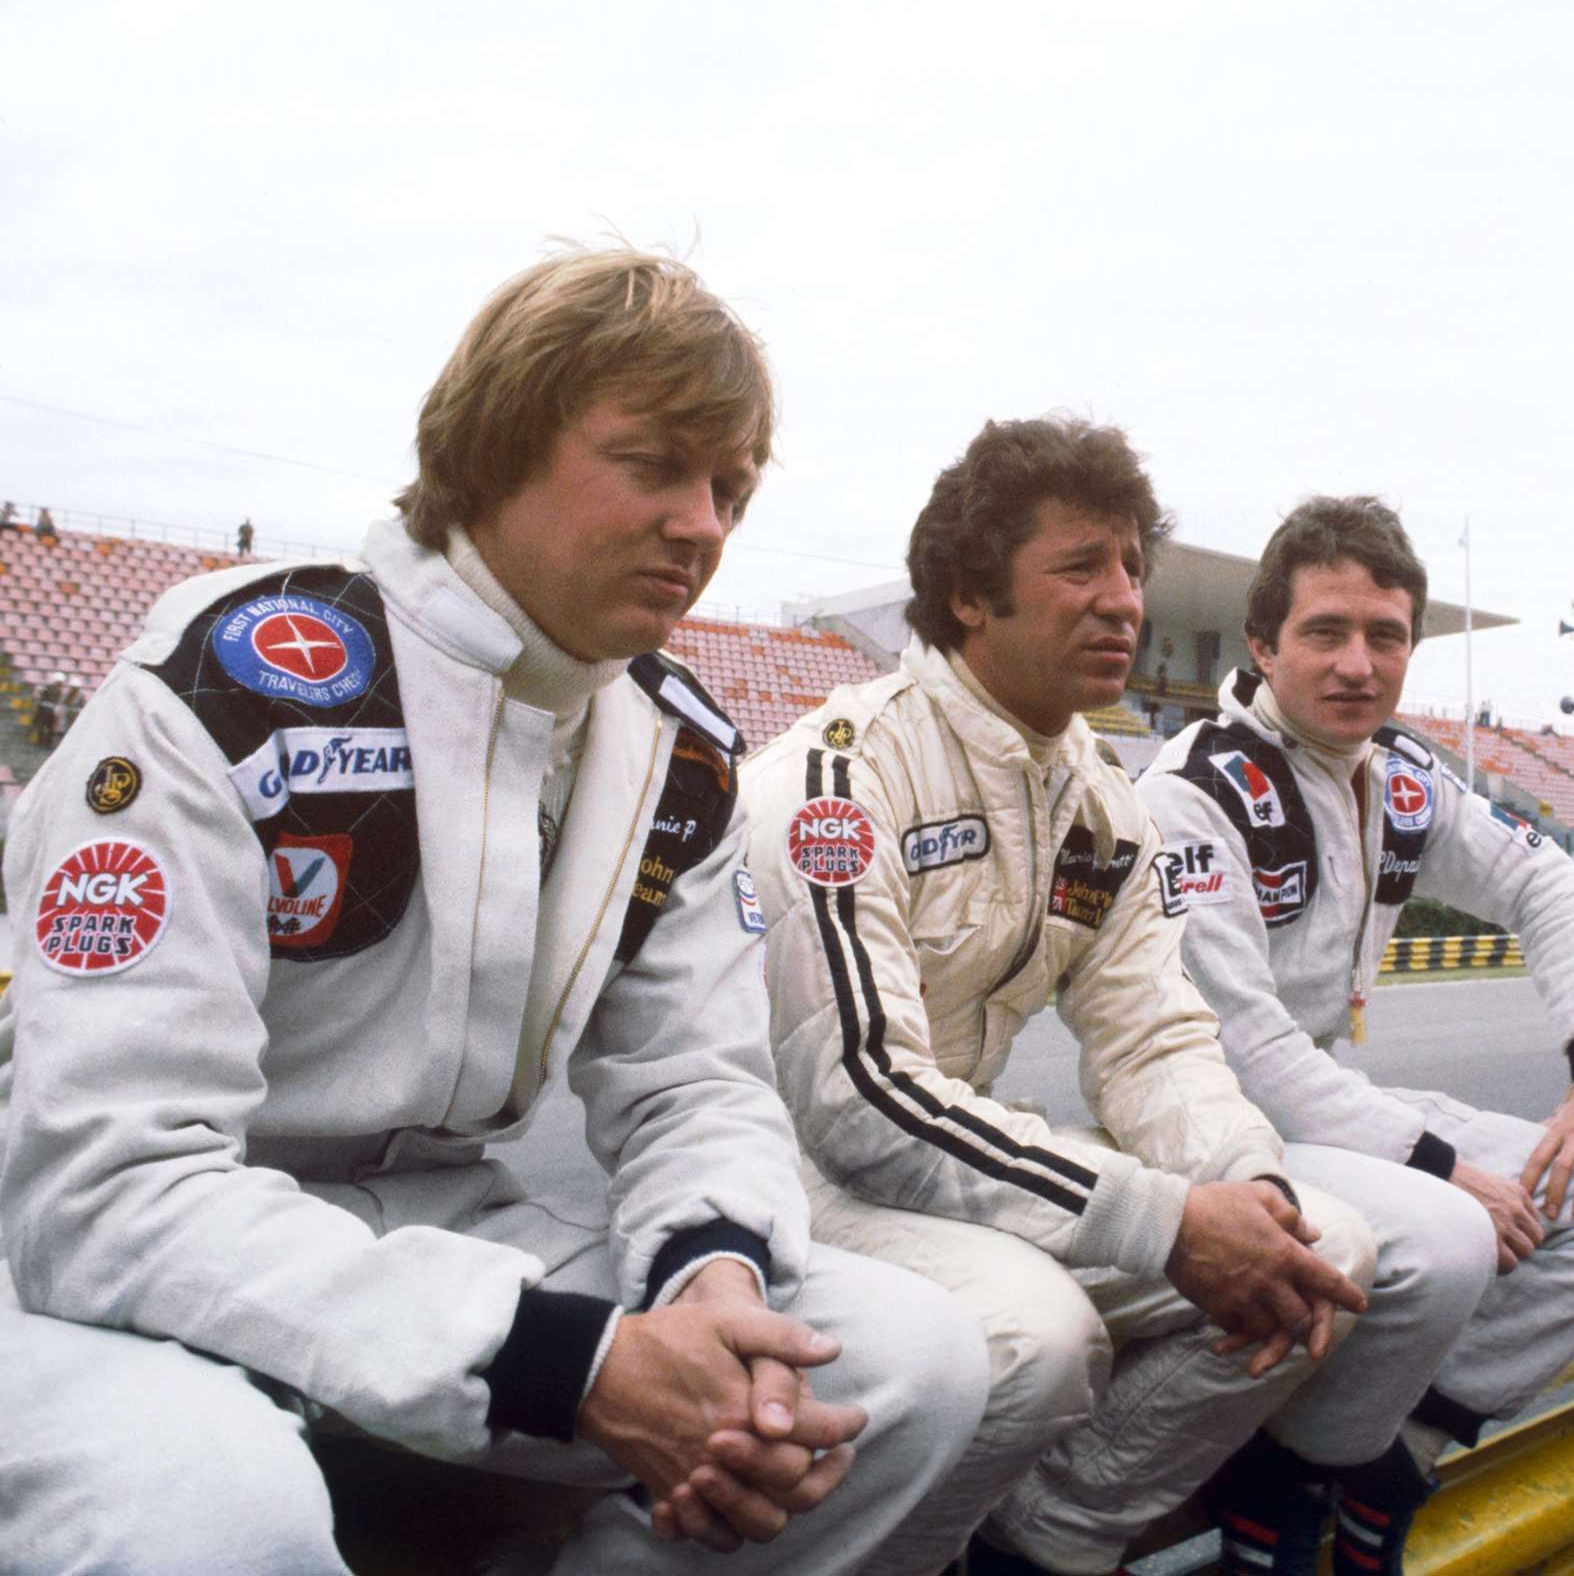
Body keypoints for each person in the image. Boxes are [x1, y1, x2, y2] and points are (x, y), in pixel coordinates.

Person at [0, 247, 989, 1575]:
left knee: (899, 1364)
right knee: (212, 1505)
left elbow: (695, 1084)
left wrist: (717, 1285)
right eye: (654, 463)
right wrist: (564, 1364)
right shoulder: (234, 682)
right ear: (498, 447)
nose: (702, 523)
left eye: (731, 487)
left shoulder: (676, 753)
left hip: (437, 1219)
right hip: (93, 1255)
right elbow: (100, 1188)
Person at [743, 419, 1487, 1576]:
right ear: (967, 594)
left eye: (1133, 566)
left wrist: (1246, 1186)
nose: (1123, 599)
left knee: (1317, 1247)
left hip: (943, 1169)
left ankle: (1047, 1542)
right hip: (787, 1175)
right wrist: (1164, 1221)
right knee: (1038, 1339)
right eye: (1079, 565)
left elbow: (1156, 1045)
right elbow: (860, 1097)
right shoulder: (837, 776)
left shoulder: (1101, 802)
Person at [1139, 495, 1574, 1572]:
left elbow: (1549, 884)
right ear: (1262, 642)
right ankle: (1282, 1488)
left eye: (1383, 636)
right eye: (1324, 633)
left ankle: (1389, 1461)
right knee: (1443, 1239)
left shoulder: (1394, 774)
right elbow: (1246, 1054)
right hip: (1208, 1126)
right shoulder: (1191, 793)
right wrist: (1440, 1165)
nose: (1357, 664)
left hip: (1330, 1109)